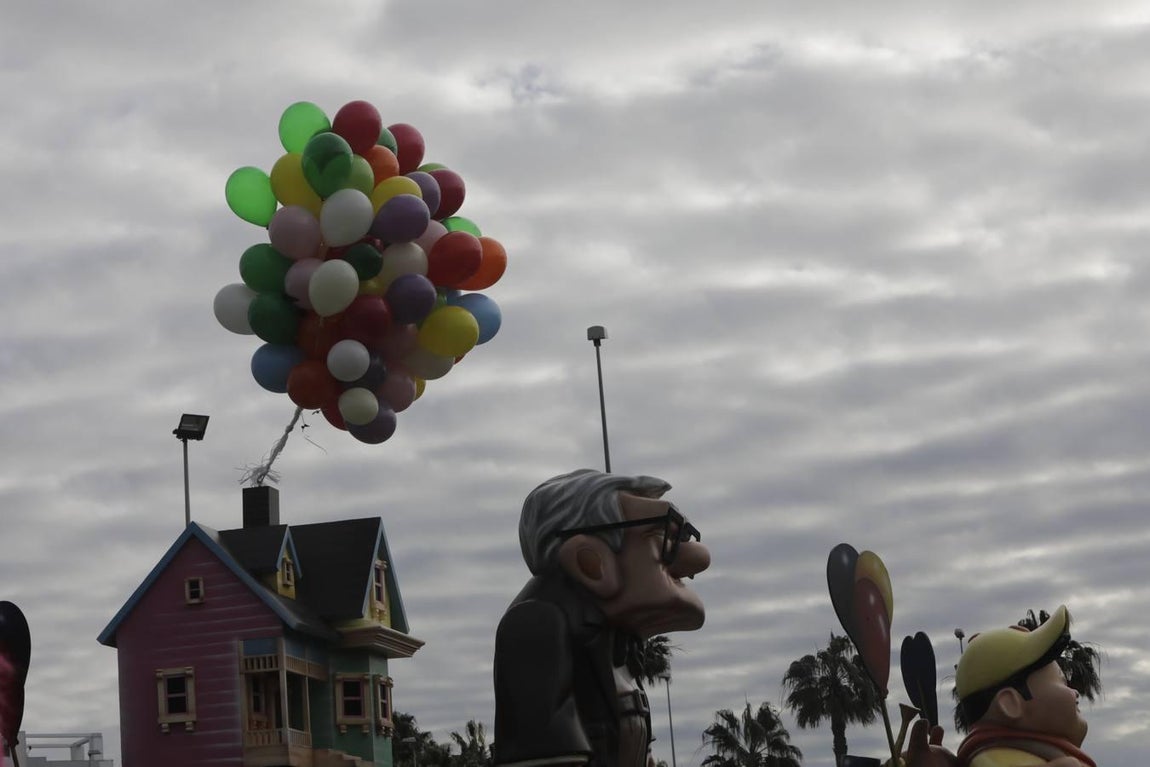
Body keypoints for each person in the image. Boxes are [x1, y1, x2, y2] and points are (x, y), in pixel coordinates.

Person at [492, 469, 710, 767]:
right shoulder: (534, 626)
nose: (698, 558)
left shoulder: (616, 643)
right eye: (665, 536)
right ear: (591, 561)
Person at [950, 605, 1093, 767]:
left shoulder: (1037, 753)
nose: (1075, 691)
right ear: (1010, 704)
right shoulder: (996, 760)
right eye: (1061, 681)